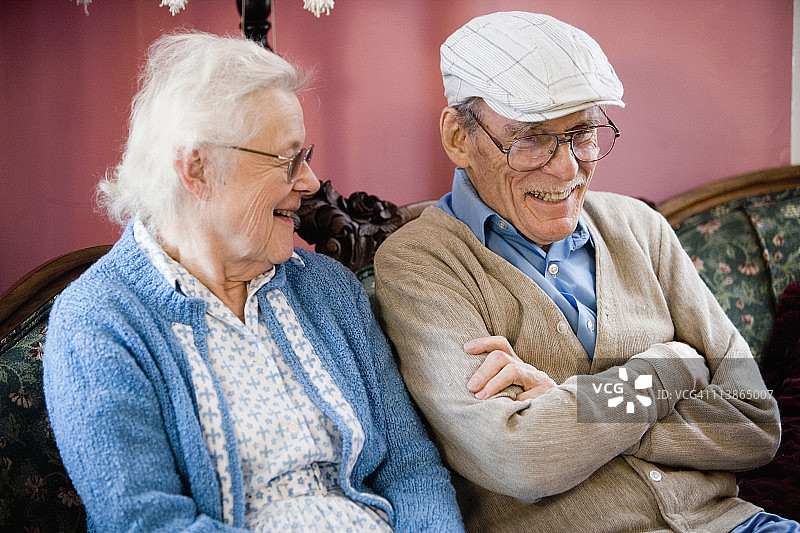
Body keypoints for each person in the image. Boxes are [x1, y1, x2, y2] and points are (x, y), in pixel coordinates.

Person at [374, 11, 790, 533]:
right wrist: (667, 369)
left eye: (583, 132)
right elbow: (521, 459)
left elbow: (756, 424)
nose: (568, 167)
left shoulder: (641, 227)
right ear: (459, 137)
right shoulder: (421, 262)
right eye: (531, 138)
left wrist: (571, 403)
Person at [43, 31, 463, 533]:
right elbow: (146, 521)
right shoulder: (99, 322)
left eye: (305, 155)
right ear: (197, 168)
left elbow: (412, 469)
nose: (310, 182)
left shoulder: (328, 289)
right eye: (288, 160)